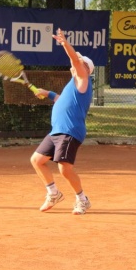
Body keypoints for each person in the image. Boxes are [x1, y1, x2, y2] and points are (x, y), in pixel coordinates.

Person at [30, 28, 94, 215]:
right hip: (57, 130)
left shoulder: (83, 80)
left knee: (64, 169)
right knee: (37, 160)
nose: (75, 63)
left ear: (86, 69)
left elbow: (75, 60)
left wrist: (65, 44)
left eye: (79, 62)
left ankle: (82, 200)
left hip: (70, 131)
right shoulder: (72, 85)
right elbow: (61, 100)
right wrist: (47, 93)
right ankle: (53, 193)